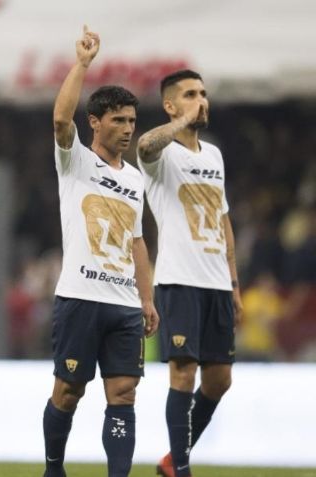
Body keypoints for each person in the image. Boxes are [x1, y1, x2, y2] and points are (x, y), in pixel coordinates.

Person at [43, 26, 158, 477]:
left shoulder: (134, 178)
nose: (128, 129)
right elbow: (58, 120)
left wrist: (146, 298)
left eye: (132, 121)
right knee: (68, 392)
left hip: (124, 303)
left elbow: (136, 241)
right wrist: (83, 64)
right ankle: (54, 469)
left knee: (124, 393)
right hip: (80, 297)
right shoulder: (74, 161)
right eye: (119, 120)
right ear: (95, 121)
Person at [136, 69, 242, 477]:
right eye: (191, 94)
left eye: (204, 93)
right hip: (179, 280)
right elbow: (144, 143)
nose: (202, 100)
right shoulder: (161, 156)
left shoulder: (213, 155)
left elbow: (223, 217)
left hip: (216, 281)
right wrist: (181, 122)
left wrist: (233, 281)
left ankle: (169, 462)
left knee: (220, 380)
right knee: (183, 371)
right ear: (170, 105)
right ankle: (181, 467)